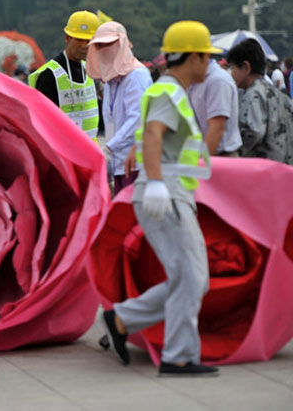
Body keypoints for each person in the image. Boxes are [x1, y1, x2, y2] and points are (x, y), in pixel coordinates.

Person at [103, 21, 219, 377]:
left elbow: (155, 139)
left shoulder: (170, 91)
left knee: (191, 277)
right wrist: (154, 183)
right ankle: (177, 356)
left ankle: (123, 319)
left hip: (172, 191)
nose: (210, 65)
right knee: (191, 276)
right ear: (194, 56)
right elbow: (153, 134)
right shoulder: (168, 92)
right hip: (165, 194)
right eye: (207, 58)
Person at [86, 22, 152, 193]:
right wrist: (108, 159)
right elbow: (110, 122)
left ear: (122, 44)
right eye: (99, 45)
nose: (103, 49)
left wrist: (110, 147)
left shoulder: (136, 76)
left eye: (109, 44)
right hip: (118, 165)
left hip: (136, 163)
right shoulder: (110, 80)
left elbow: (137, 118)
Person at [29, 10, 100, 139]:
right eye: (79, 40)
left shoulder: (88, 69)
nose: (84, 46)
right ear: (67, 38)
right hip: (63, 153)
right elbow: (42, 122)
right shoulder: (50, 74)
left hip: (90, 151)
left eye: (89, 41)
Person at [226, 39, 293, 164]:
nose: (231, 74)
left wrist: (233, 152)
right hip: (286, 168)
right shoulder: (280, 95)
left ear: (246, 67)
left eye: (232, 68)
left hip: (266, 170)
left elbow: (254, 132)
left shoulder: (253, 94)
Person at [187, 50, 242, 157]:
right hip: (205, 154)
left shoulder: (217, 81)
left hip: (220, 156)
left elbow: (217, 129)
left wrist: (201, 165)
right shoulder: (195, 79)